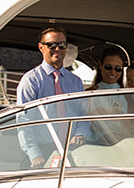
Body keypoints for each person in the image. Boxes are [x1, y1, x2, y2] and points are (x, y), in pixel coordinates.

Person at [15, 26, 87, 162]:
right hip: (42, 152)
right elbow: (23, 122)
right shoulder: (30, 81)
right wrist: (34, 154)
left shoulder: (76, 82)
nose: (57, 49)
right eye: (52, 45)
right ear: (41, 47)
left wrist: (81, 134)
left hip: (72, 150)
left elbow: (83, 115)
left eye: (62, 45)